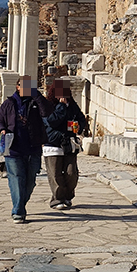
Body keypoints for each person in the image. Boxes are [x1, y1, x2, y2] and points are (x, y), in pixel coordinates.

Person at [0, 76, 51, 223]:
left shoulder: (36, 102)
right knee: (16, 179)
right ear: (17, 86)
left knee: (30, 180)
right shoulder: (8, 104)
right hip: (13, 149)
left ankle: (20, 205)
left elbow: (47, 113)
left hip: (33, 147)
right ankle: (18, 211)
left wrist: (37, 95)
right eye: (24, 85)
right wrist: (2, 130)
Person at [42, 82, 88, 210]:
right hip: (53, 143)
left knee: (71, 173)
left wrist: (79, 126)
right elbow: (52, 121)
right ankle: (57, 199)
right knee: (55, 174)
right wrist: (61, 106)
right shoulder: (48, 105)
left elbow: (81, 119)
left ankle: (67, 196)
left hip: (69, 144)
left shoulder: (72, 105)